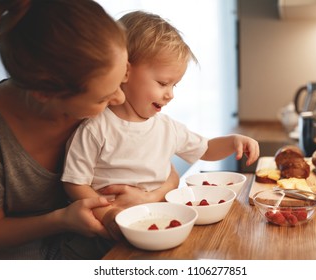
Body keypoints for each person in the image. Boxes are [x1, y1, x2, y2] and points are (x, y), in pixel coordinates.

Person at [0, 0, 179, 260]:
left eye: (121, 80)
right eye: (103, 98)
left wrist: (149, 196)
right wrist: (63, 219)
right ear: (46, 95)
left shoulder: (99, 104)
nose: (120, 100)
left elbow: (164, 164)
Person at [62, 11, 260, 228]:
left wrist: (233, 141)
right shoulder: (95, 128)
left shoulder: (167, 127)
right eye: (163, 83)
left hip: (158, 222)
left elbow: (206, 149)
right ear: (124, 71)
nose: (170, 94)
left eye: (174, 85)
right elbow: (74, 183)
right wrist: (107, 213)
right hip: (106, 229)